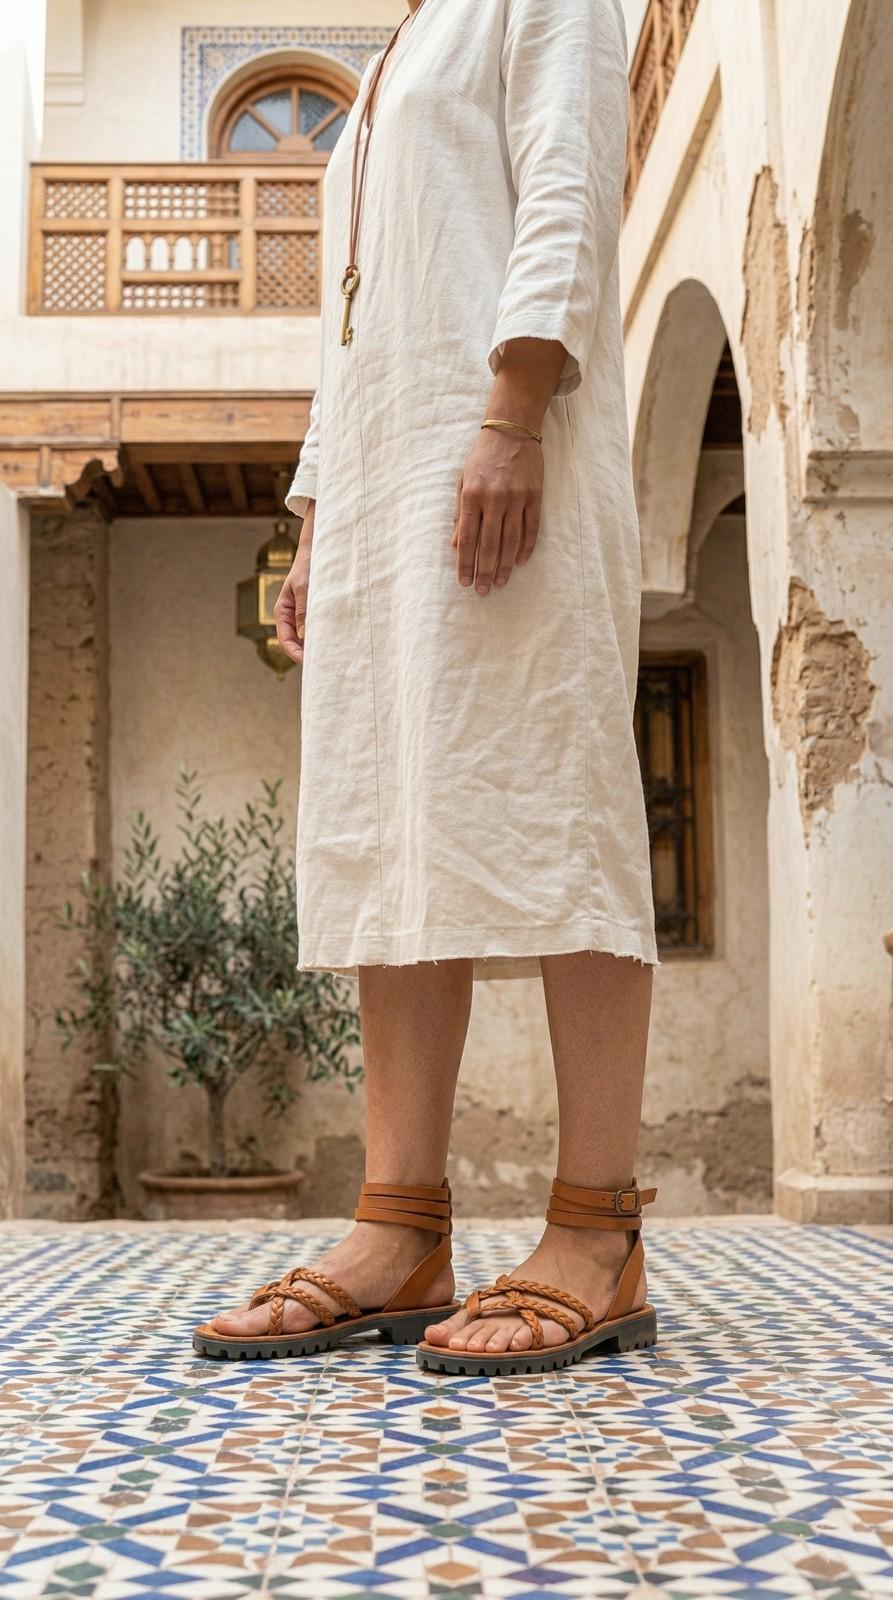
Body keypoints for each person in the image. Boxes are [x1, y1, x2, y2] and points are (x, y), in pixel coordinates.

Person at [193, 0, 659, 1376]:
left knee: (558, 791)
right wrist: (318, 519)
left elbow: (569, 180)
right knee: (390, 817)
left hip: (506, 448)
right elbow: (355, 319)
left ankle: (598, 1226)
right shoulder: (397, 48)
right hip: (387, 483)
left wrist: (513, 408)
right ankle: (400, 1222)